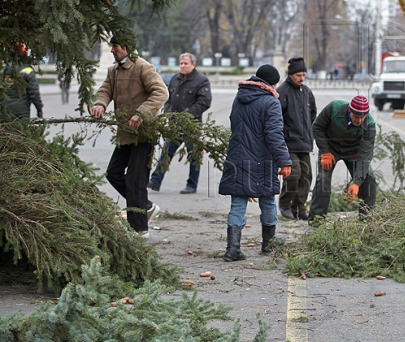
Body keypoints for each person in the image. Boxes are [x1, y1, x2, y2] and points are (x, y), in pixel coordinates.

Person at [89, 36, 168, 237]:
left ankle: (140, 229)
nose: (112, 51)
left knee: (136, 180)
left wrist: (141, 114)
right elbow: (106, 90)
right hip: (125, 133)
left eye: (115, 47)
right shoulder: (113, 70)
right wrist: (100, 103)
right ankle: (146, 206)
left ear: (125, 47)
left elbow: (161, 92)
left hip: (144, 133)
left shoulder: (143, 67)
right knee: (113, 173)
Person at [218, 64, 292, 261]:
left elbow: (235, 124)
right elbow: (274, 135)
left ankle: (232, 249)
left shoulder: (239, 97)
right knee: (267, 200)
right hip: (262, 160)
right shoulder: (270, 102)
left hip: (237, 156)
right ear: (273, 83)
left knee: (238, 203)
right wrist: (284, 161)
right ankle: (268, 245)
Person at [148, 52, 212, 194]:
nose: (182, 66)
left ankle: (192, 184)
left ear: (193, 65)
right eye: (181, 63)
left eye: (185, 63)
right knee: (166, 153)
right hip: (175, 126)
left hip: (192, 126)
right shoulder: (175, 79)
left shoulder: (201, 80)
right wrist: (169, 111)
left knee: (193, 156)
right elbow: (168, 98)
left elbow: (204, 102)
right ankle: (155, 181)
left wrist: (187, 117)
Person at [308, 95, 377, 223]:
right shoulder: (334, 108)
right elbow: (317, 127)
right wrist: (325, 152)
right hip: (330, 149)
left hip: (353, 152)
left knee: (369, 179)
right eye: (356, 116)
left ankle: (366, 219)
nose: (359, 120)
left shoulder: (370, 124)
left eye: (363, 117)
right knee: (323, 180)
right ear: (349, 110)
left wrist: (356, 182)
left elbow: (365, 155)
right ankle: (316, 220)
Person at [277, 57, 317, 220]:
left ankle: (299, 207)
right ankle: (285, 205)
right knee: (294, 174)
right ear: (290, 74)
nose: (301, 78)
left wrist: (311, 134)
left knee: (306, 176)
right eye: (298, 75)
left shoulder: (307, 92)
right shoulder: (282, 92)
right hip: (288, 143)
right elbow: (276, 119)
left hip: (304, 143)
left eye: (304, 75)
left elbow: (313, 114)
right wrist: (281, 142)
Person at [3, 43, 43, 119]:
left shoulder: (4, 69)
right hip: (22, 111)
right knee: (21, 130)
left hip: (5, 110)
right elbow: (34, 93)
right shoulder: (27, 70)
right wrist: (39, 109)